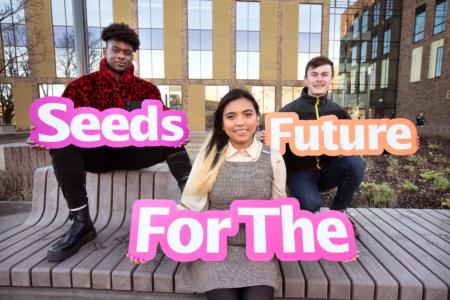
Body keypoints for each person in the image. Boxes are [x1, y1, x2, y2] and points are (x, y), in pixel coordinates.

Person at [28, 23, 192, 262]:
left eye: (127, 52)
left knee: (173, 143)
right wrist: (47, 134)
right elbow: (61, 124)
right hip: (96, 156)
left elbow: (165, 123)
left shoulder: (147, 90)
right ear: (105, 50)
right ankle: (81, 222)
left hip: (133, 153)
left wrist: (177, 132)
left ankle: (194, 210)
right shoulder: (81, 86)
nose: (121, 56)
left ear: (132, 56)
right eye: (116, 50)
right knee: (61, 145)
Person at [130, 89, 286, 300]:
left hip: (257, 252)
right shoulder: (209, 157)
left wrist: (335, 243)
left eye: (247, 114)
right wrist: (150, 239)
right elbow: (189, 206)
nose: (240, 122)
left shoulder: (273, 157)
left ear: (257, 118)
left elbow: (281, 210)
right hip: (215, 249)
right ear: (222, 124)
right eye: (231, 116)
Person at [279, 56, 365, 234]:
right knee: (311, 205)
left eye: (324, 74)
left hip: (328, 171)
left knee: (357, 162)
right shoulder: (288, 111)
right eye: (314, 74)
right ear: (306, 79)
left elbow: (352, 144)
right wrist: (269, 138)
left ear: (331, 79)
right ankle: (303, 211)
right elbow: (275, 149)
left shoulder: (339, 112)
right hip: (299, 173)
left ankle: (338, 215)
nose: (319, 79)